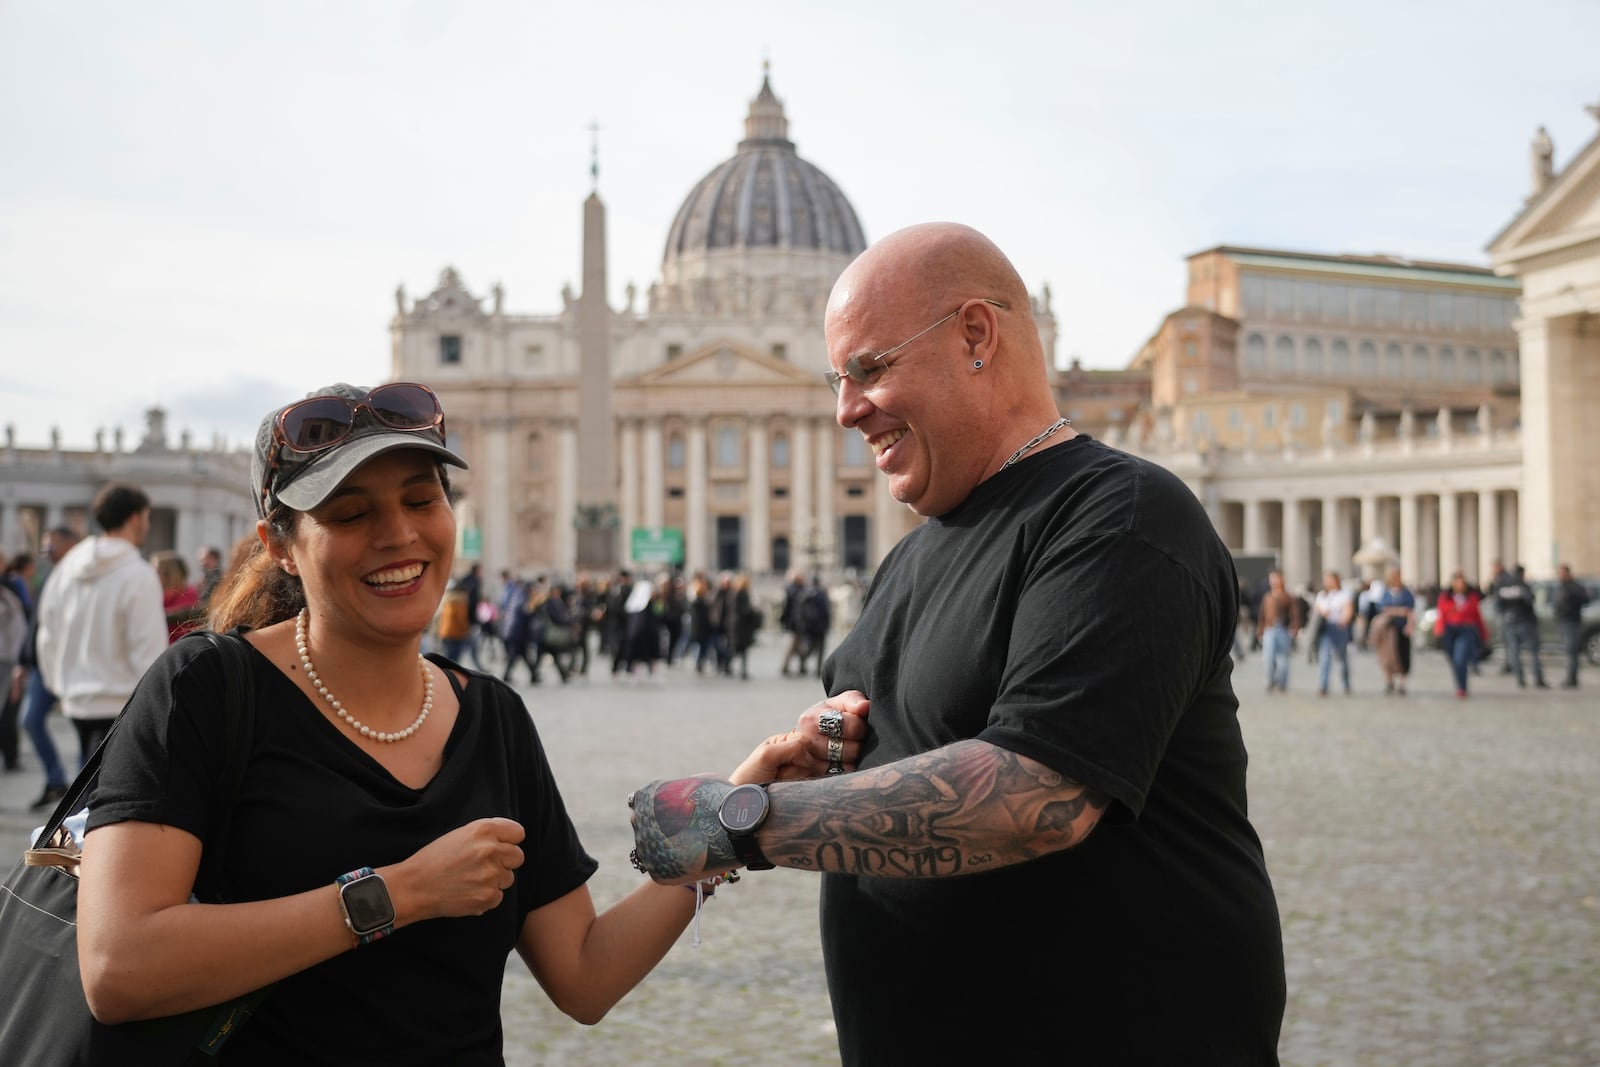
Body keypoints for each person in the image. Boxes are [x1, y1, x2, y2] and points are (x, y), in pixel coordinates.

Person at [626, 224, 1285, 1065]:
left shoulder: (1118, 515)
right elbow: (923, 744)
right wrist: (838, 759)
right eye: (838, 380)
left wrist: (738, 823)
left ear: (976, 335)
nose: (843, 410)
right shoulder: (906, 562)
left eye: (869, 369)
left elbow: (1037, 793)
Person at [76, 380, 861, 1063]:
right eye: (350, 512)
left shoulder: (493, 715)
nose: (399, 534)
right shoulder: (204, 688)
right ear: (278, 545)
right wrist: (399, 892)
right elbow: (120, 967)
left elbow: (586, 974)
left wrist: (735, 811)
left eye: (422, 499)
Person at [36, 483, 168, 767]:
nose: (147, 525)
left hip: (75, 699)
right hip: (121, 704)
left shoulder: (66, 569)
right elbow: (148, 649)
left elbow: (47, 632)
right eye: (146, 517)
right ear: (134, 518)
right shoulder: (139, 574)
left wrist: (57, 683)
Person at [16, 526, 80, 808]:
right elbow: (36, 624)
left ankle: (81, 794)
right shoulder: (51, 575)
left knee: (84, 727)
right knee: (30, 720)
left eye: (51, 545)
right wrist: (24, 660)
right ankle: (56, 780)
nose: (45, 551)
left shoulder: (78, 576)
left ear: (68, 545)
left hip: (71, 665)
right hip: (43, 665)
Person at [1434, 571, 1490, 699]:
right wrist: (1439, 630)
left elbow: (1477, 617)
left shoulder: (1471, 597)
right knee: (1453, 660)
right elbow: (1441, 614)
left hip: (1466, 629)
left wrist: (1483, 634)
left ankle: (1462, 687)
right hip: (1450, 630)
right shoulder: (1446, 597)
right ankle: (1459, 683)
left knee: (1461, 658)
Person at [1497, 564, 1548, 689]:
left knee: (1514, 652)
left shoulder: (1503, 587)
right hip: (1526, 622)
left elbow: (1498, 605)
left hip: (1510, 623)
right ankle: (1538, 679)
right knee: (1534, 652)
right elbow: (1530, 600)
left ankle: (1520, 679)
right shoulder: (1522, 586)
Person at [1256, 569, 1301, 692]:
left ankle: (1282, 683)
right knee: (1268, 658)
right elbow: (1262, 615)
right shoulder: (1267, 596)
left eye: (1276, 578)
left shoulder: (1288, 596)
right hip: (1269, 630)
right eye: (1272, 579)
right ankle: (1270, 680)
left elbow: (1294, 614)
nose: (1274, 581)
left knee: (1283, 659)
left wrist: (1295, 628)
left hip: (1283, 630)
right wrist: (1260, 631)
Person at [1373, 567, 1415, 695]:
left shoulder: (1406, 592)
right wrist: (1400, 611)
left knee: (1403, 655)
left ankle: (1402, 683)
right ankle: (1389, 681)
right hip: (1388, 629)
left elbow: (1410, 611)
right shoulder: (1386, 592)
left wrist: (1410, 625)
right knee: (1387, 657)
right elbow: (1383, 608)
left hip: (1402, 629)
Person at [1313, 570, 1355, 696]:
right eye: (1327, 580)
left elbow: (1348, 610)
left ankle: (1345, 684)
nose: (1328, 583)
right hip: (1326, 629)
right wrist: (1322, 612)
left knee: (1342, 658)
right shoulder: (1322, 595)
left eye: (1330, 580)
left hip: (1339, 628)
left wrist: (1344, 620)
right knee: (1324, 658)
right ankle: (1323, 686)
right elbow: (1317, 609)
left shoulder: (1344, 594)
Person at [1553, 563, 1590, 688]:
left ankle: (1572, 679)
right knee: (1568, 651)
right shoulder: (1562, 587)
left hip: (1572, 622)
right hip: (1563, 622)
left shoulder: (1575, 587)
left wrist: (1570, 603)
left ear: (1568, 573)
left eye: (1562, 573)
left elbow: (1585, 600)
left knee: (1571, 652)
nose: (1560, 575)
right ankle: (1570, 677)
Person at [153, 550, 203, 643]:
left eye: (156, 570)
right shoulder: (154, 593)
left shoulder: (187, 594)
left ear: (170, 574)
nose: (152, 574)